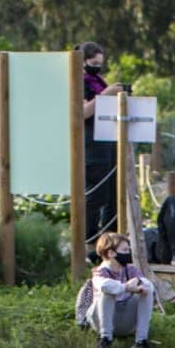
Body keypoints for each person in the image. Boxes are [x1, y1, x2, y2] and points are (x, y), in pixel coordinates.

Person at [86, 230, 155, 348]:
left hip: (125, 321)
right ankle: (105, 338)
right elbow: (105, 285)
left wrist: (139, 281)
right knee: (106, 293)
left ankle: (141, 341)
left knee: (147, 289)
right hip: (102, 320)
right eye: (125, 250)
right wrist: (126, 287)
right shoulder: (100, 271)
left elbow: (148, 285)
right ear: (111, 253)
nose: (128, 254)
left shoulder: (130, 269)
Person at [79, 43, 121, 244]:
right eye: (94, 63)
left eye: (100, 63)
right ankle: (88, 240)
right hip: (91, 146)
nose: (98, 67)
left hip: (108, 142)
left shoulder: (97, 80)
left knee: (112, 194)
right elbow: (82, 112)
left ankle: (109, 240)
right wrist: (106, 96)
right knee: (96, 196)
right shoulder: (79, 81)